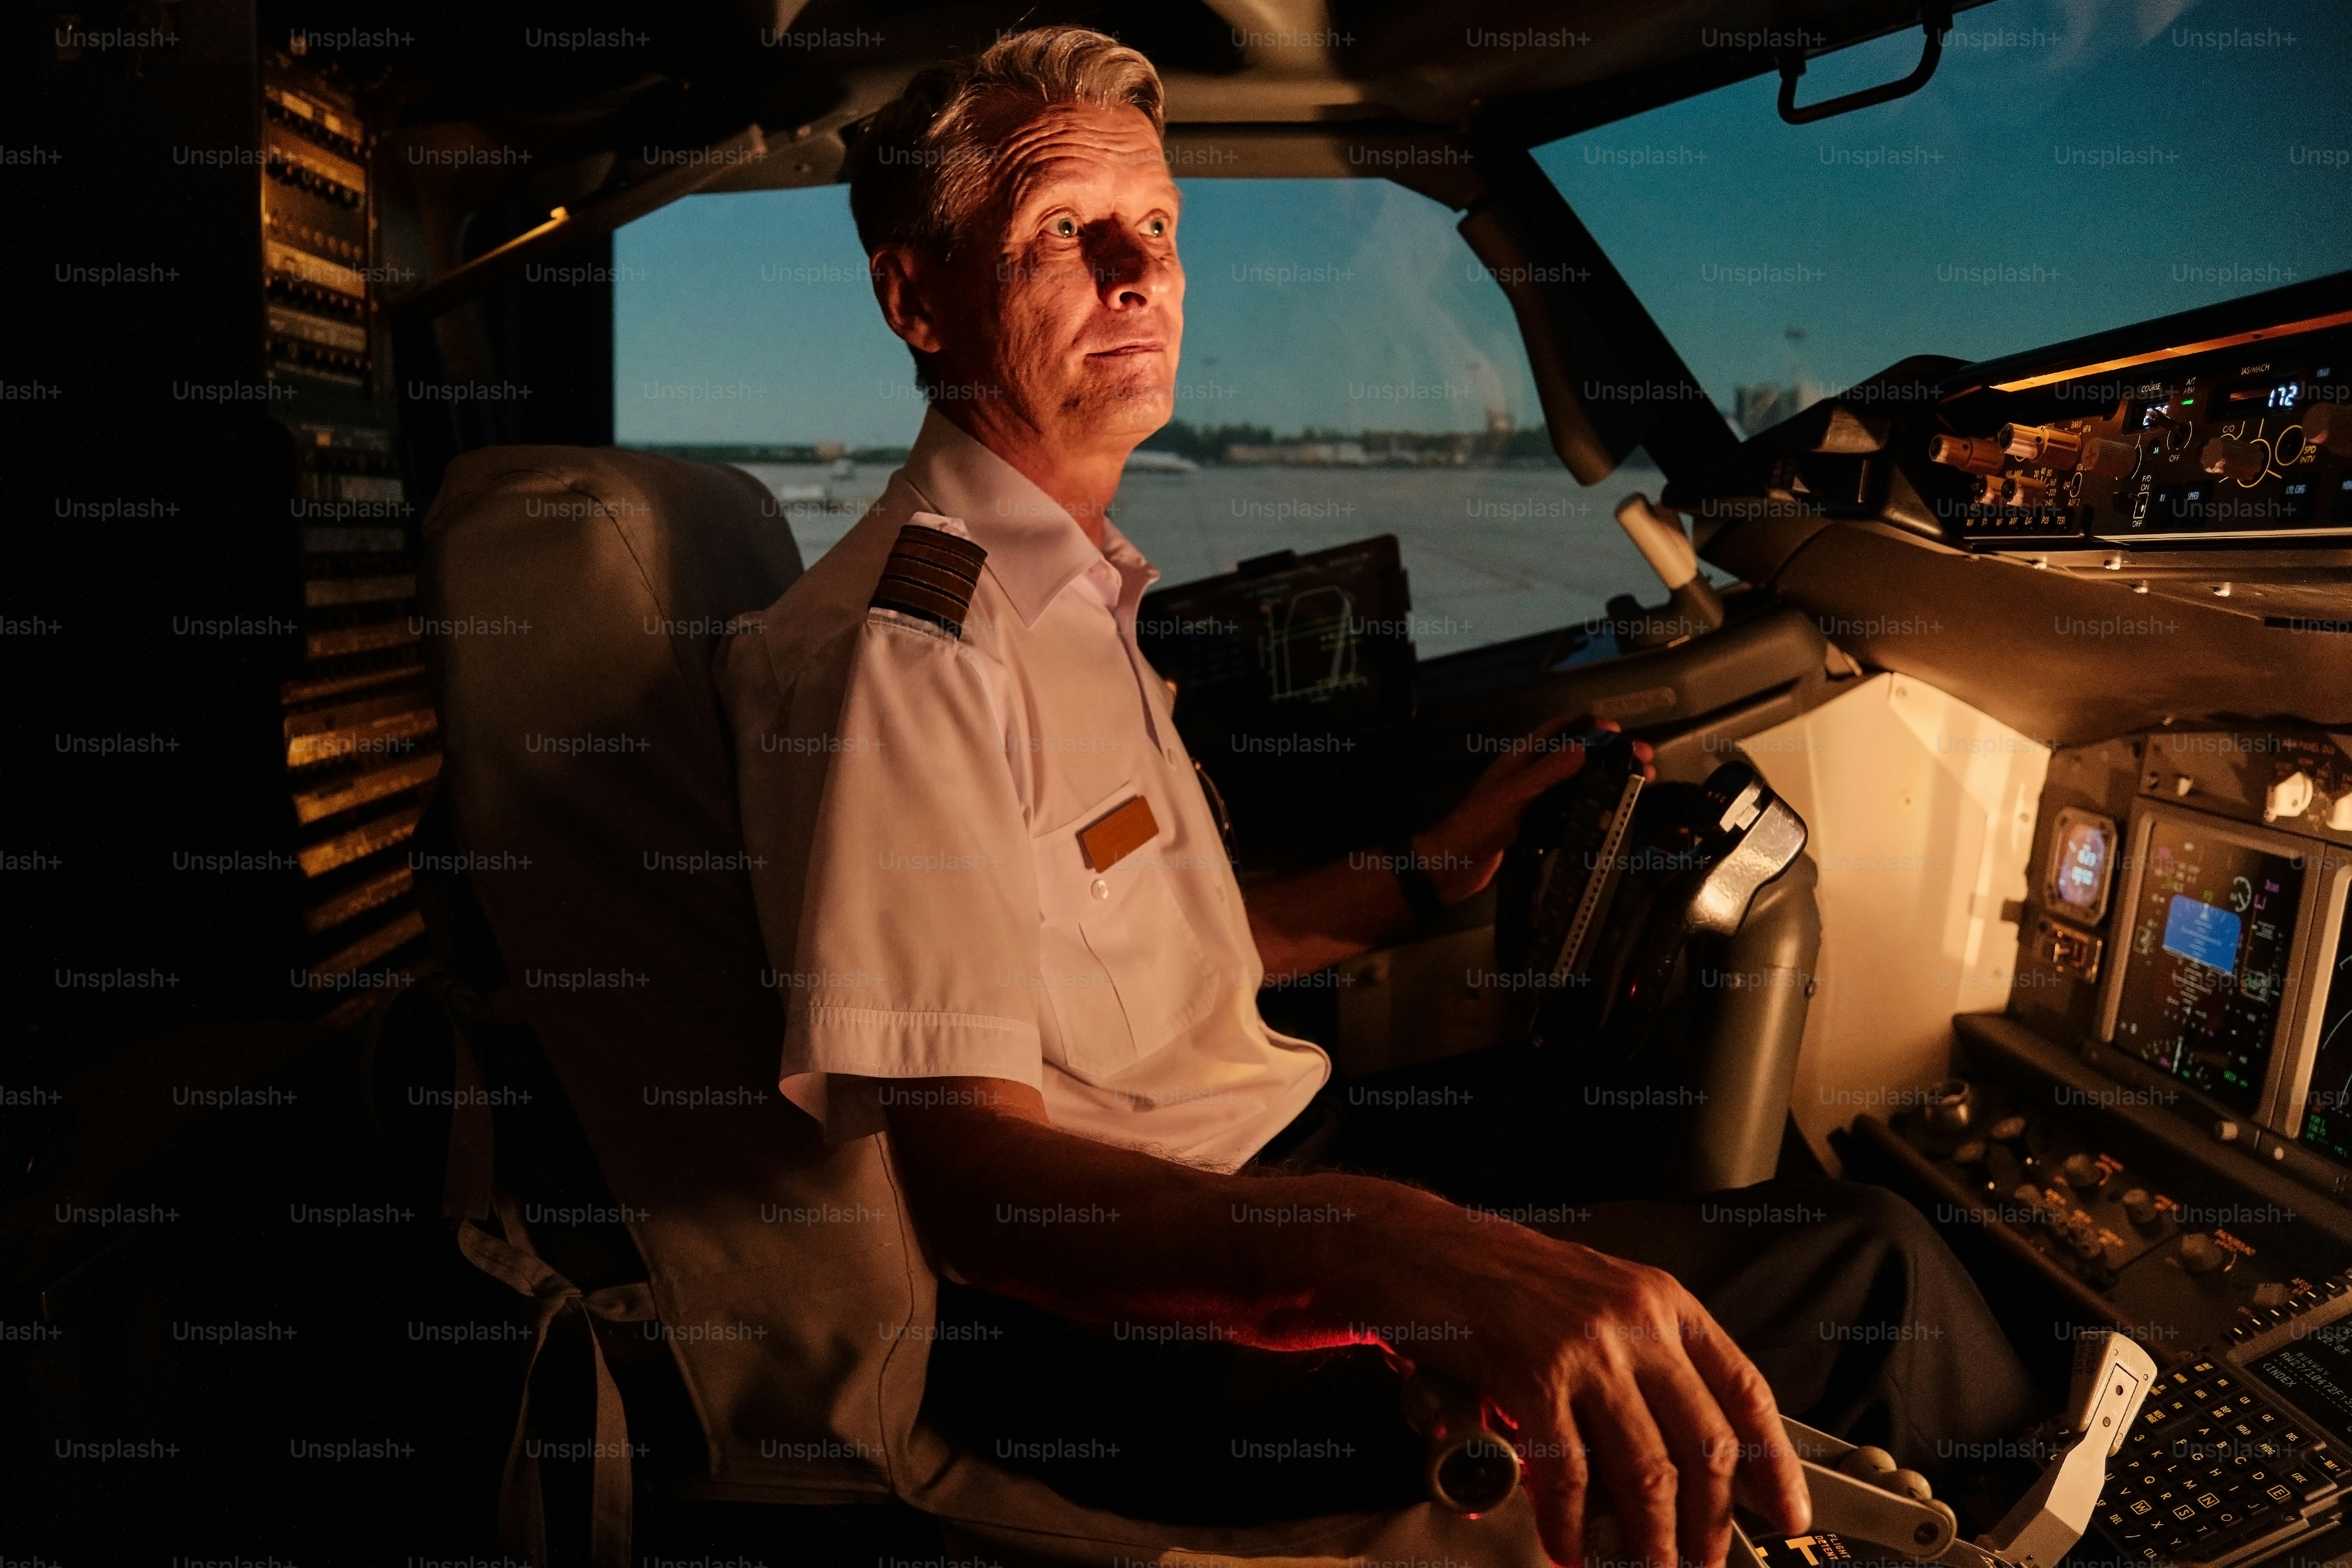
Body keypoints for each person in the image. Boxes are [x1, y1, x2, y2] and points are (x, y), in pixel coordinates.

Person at [718, 25, 2040, 1565]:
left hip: (1264, 1151)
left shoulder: (1062, 588)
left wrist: (1426, 871)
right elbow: (971, 1187)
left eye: (1156, 227)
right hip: (1132, 1346)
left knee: (1634, 1118)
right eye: (1060, 232)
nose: (1137, 274)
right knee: (1867, 1270)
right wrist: (1391, 1252)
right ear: (913, 298)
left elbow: (1127, 951)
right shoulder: (915, 647)